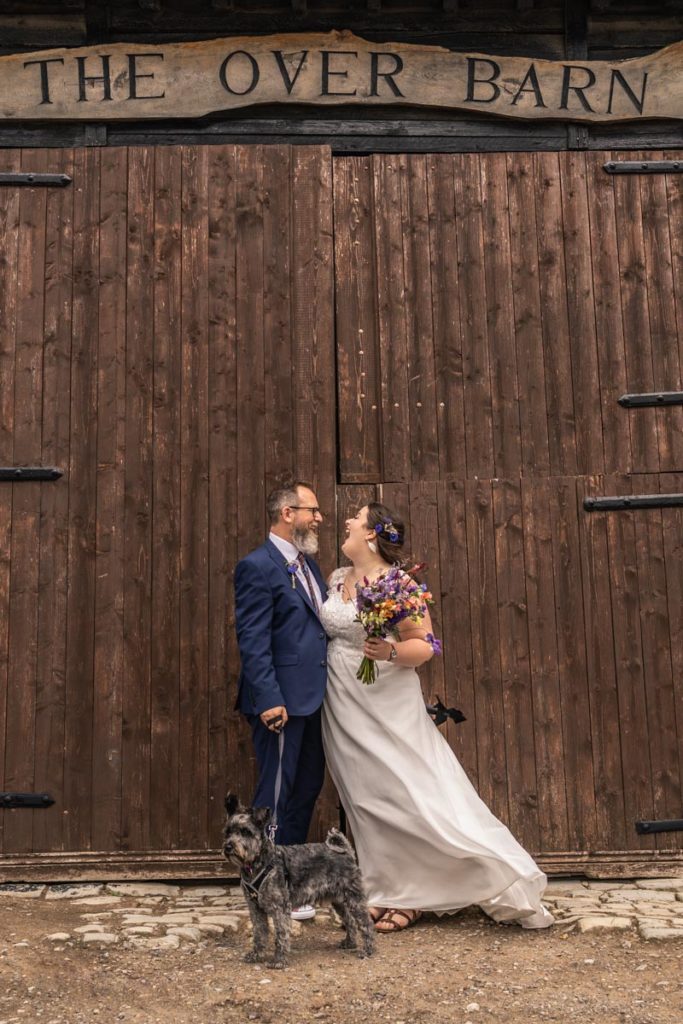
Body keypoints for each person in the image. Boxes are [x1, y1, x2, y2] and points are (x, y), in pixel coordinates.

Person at [320, 502, 553, 933]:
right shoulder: (337, 578)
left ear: (371, 535)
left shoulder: (400, 583)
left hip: (385, 698)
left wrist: (388, 650)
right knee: (365, 795)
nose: (348, 520)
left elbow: (423, 646)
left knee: (407, 790)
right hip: (342, 699)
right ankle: (381, 886)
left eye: (356, 516)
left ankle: (419, 892)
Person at [234, 480, 328, 921]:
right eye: (312, 510)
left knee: (306, 786)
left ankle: (287, 884)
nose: (319, 518)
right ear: (288, 513)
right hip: (281, 705)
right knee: (275, 793)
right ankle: (263, 886)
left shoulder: (309, 567)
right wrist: (269, 697)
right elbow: (252, 638)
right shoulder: (258, 566)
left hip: (314, 701)